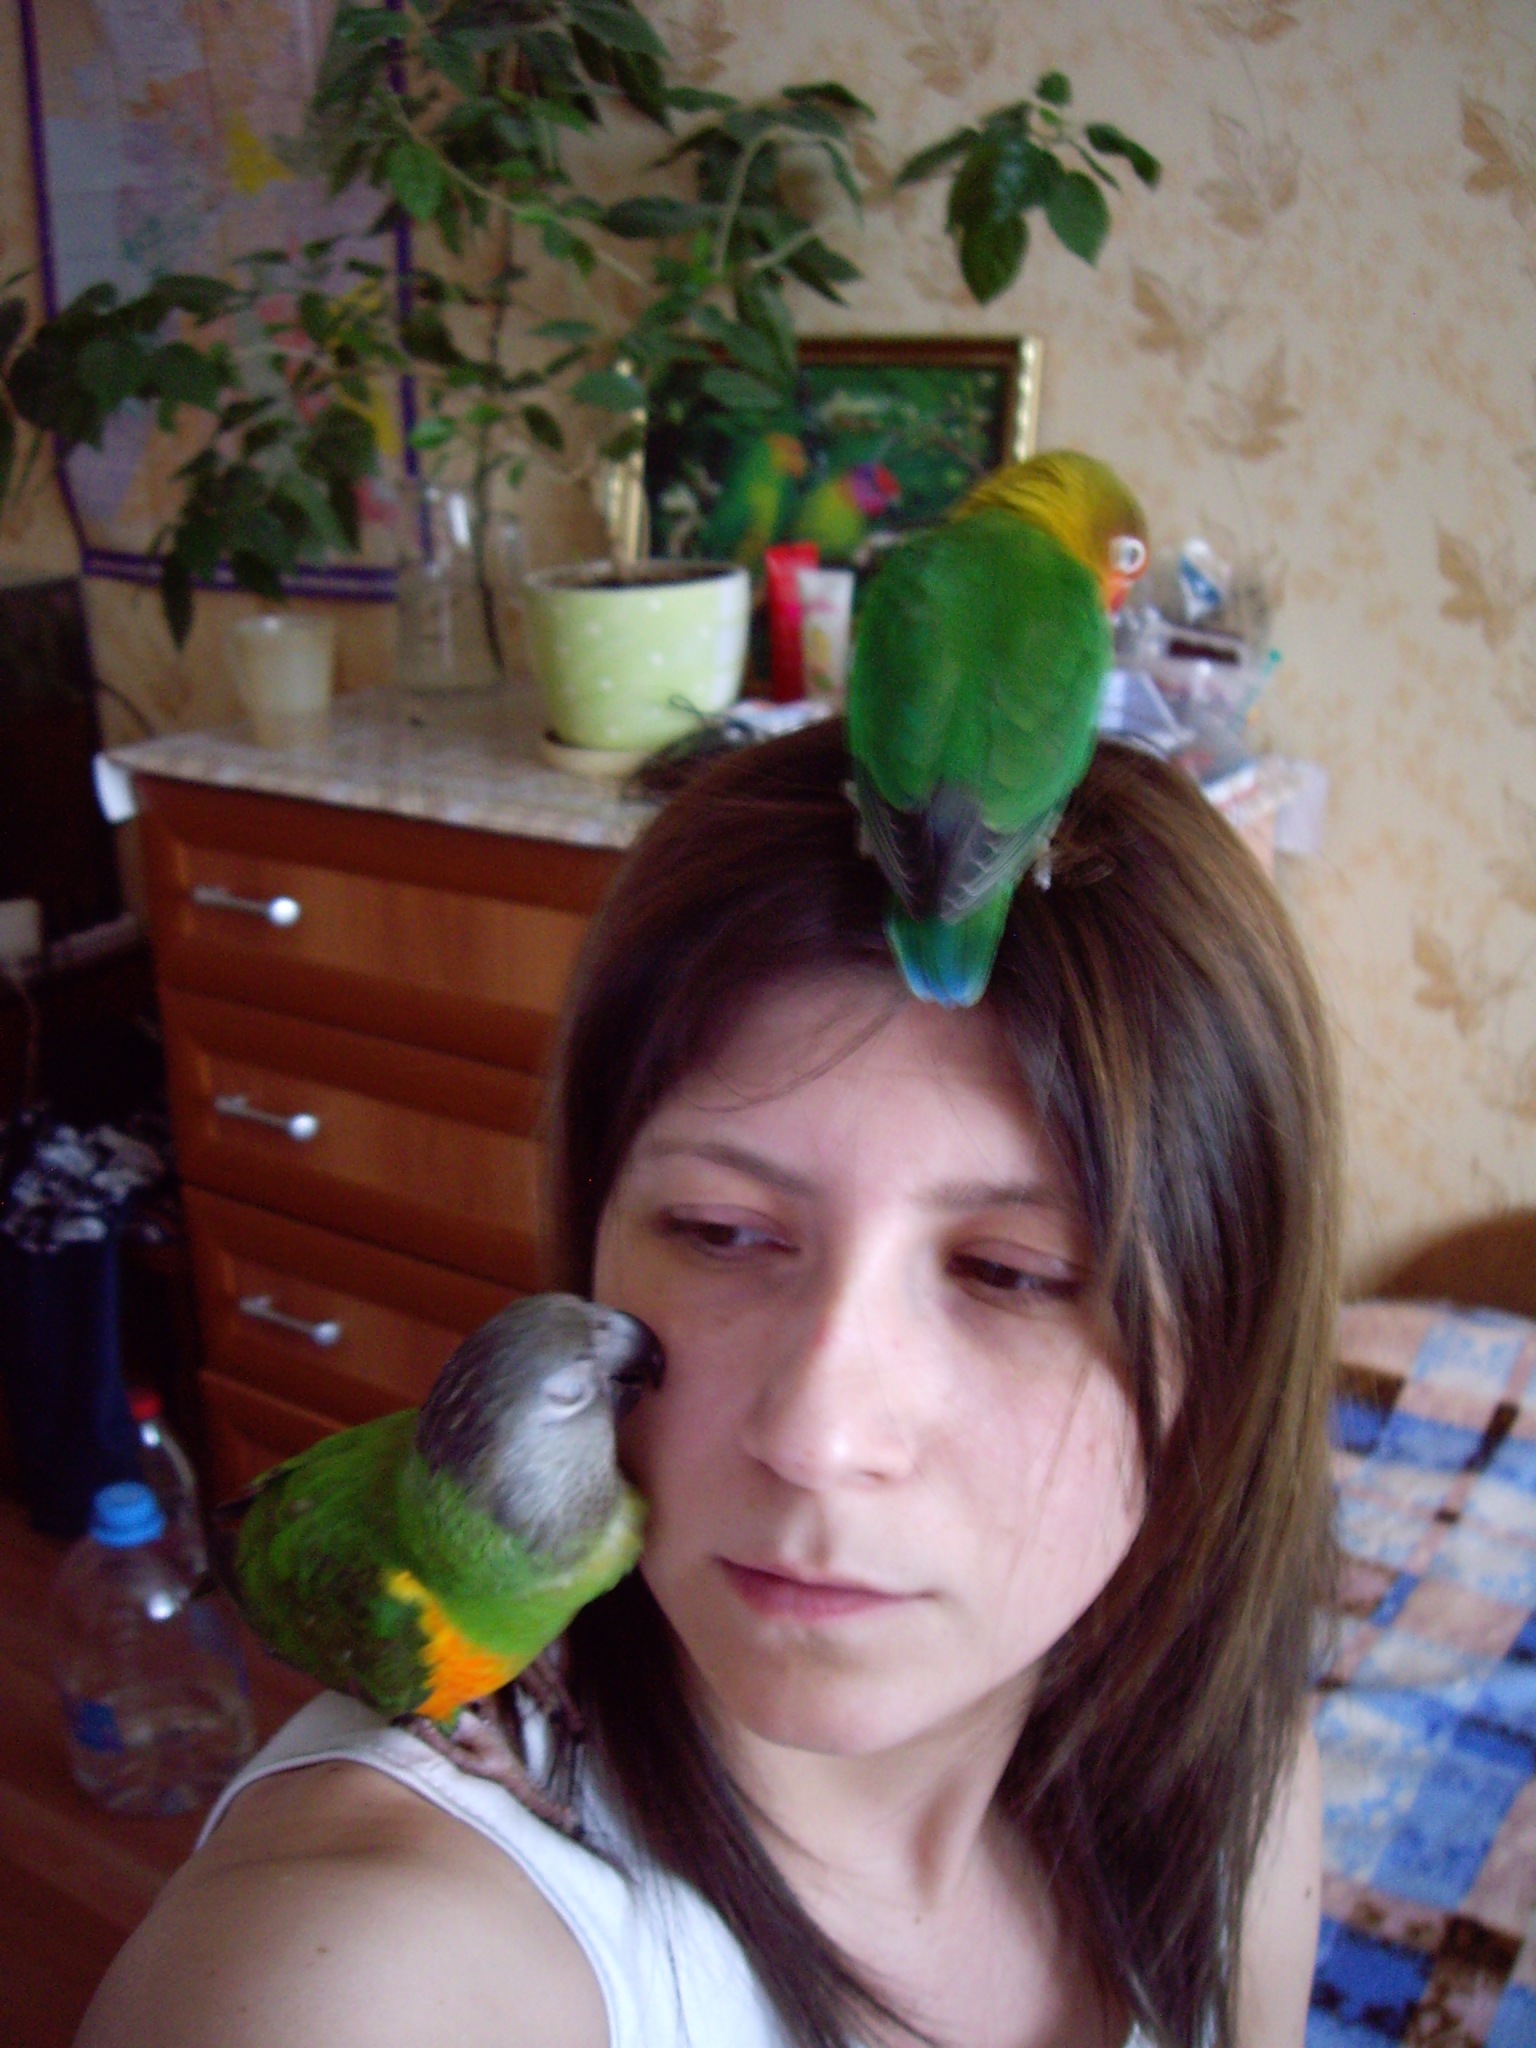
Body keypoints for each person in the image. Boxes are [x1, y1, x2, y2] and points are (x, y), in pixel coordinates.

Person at [78, 721, 1337, 2048]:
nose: (815, 1435)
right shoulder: (347, 1974)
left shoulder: (1242, 1788)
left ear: (1228, 1353)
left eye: (1012, 1272)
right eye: (720, 1233)